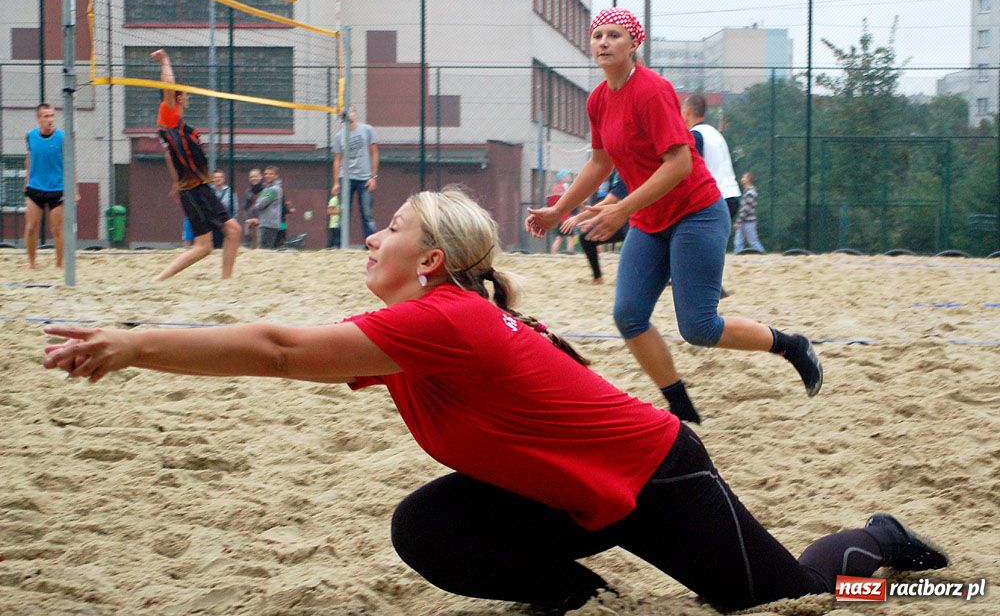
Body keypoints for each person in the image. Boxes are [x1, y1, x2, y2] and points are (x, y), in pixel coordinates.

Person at [41, 188, 950, 616]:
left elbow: (279, 352)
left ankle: (882, 540)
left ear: (432, 260)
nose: (372, 236)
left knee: (792, 599)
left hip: (656, 477)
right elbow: (286, 354)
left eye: (392, 228)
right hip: (570, 493)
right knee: (428, 527)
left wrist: (134, 345)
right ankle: (577, 598)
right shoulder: (430, 322)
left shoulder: (446, 318)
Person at [526, 8, 821, 424]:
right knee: (628, 315)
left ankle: (791, 345)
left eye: (614, 35)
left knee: (699, 328)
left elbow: (680, 164)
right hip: (650, 221)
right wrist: (559, 209)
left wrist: (620, 210)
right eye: (598, 36)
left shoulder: (652, 90)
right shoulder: (598, 99)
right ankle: (682, 409)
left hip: (696, 214)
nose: (604, 42)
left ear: (634, 44)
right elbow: (600, 162)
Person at [151, 49, 241, 281]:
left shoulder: (176, 126)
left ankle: (224, 282)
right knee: (219, 238)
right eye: (185, 94)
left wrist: (175, 182)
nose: (188, 97)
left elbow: (169, 156)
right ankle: (160, 280)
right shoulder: (168, 117)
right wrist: (165, 61)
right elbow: (168, 87)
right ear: (179, 99)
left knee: (216, 240)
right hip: (194, 190)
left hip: (195, 188)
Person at [682, 92, 741, 297]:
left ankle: (707, 286)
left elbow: (691, 168)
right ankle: (713, 286)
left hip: (716, 197)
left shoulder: (696, 135)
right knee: (709, 245)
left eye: (682, 109)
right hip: (732, 194)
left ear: (688, 111)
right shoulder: (714, 133)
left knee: (690, 237)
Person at [23, 103, 76, 269]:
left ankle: (59, 265)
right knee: (31, 227)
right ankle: (32, 263)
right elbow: (29, 158)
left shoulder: (62, 137)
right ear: (38, 119)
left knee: (57, 229)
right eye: (46, 116)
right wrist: (27, 180)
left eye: (52, 115)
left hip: (56, 188)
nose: (50, 119)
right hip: (35, 187)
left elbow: (71, 164)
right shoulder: (31, 136)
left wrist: (75, 189)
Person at [564, 171, 629, 284]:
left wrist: (579, 218)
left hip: (641, 222)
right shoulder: (615, 174)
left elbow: (610, 201)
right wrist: (593, 219)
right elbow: (610, 202)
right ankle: (597, 278)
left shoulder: (626, 171)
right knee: (586, 238)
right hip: (625, 220)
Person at [332, 105, 379, 239]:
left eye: (351, 111)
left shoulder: (367, 130)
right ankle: (339, 244)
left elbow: (374, 153)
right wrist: (336, 182)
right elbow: (337, 160)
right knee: (344, 213)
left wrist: (373, 177)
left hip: (365, 178)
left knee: (367, 214)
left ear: (355, 113)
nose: (348, 114)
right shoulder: (339, 136)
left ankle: (370, 244)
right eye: (345, 113)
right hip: (346, 178)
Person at [249, 165, 284, 249]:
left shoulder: (273, 190)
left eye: (271, 174)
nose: (267, 176)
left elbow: (261, 203)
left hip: (269, 224)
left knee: (265, 249)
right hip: (266, 223)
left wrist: (258, 201)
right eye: (266, 174)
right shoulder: (268, 188)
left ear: (276, 176)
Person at [734, 171, 766, 253]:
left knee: (753, 241)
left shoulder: (750, 192)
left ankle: (762, 254)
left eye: (744, 177)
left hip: (749, 221)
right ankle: (738, 255)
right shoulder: (747, 191)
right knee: (738, 241)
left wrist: (739, 220)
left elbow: (746, 209)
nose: (742, 179)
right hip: (744, 220)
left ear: (748, 179)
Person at [210, 169, 233, 250]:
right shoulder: (209, 191)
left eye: (220, 177)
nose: (218, 179)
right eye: (216, 177)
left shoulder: (229, 191)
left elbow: (234, 207)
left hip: (225, 222)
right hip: (212, 223)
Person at [241, 168, 264, 249]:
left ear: (261, 177)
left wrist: (259, 219)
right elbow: (245, 207)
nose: (253, 178)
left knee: (260, 246)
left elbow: (267, 205)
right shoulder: (248, 191)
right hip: (250, 222)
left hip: (262, 222)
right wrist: (247, 219)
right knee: (249, 246)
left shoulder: (267, 190)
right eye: (251, 177)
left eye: (255, 176)